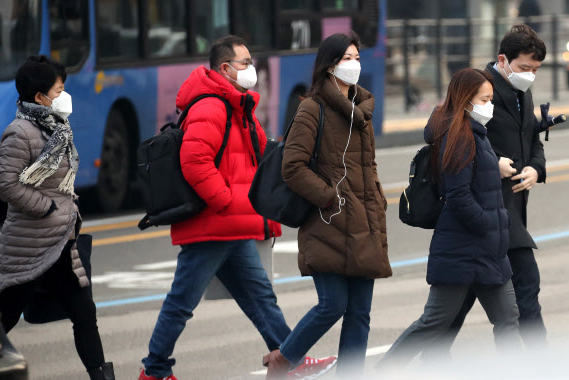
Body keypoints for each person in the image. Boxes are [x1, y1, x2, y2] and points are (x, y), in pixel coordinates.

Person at [138, 35, 333, 380]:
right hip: (214, 224)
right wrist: (226, 202)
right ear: (225, 68)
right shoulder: (211, 107)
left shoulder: (235, 105)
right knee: (182, 302)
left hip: (231, 225)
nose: (252, 69)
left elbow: (262, 151)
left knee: (260, 297)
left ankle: (289, 359)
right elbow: (195, 161)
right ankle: (154, 371)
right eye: (245, 63)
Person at [263, 32, 392, 379]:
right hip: (329, 221)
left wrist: (376, 200)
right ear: (330, 66)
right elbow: (292, 167)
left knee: (360, 312)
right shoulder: (312, 108)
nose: (355, 64)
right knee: (332, 304)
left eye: (357, 57)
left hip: (364, 221)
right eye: (347, 58)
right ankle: (284, 360)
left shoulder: (362, 112)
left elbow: (369, 165)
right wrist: (328, 197)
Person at [376, 68, 522, 369]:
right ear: (466, 100)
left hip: (488, 251)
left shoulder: (477, 135)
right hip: (462, 251)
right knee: (433, 323)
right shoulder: (459, 139)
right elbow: (459, 198)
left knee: (509, 321)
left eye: (491, 99)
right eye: (484, 99)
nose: (489, 105)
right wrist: (489, 225)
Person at [425, 24, 548, 358]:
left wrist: (536, 168)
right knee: (526, 287)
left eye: (536, 70)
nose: (530, 76)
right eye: (525, 68)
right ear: (503, 60)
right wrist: (493, 161)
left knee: (463, 299)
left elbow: (532, 138)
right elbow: (437, 127)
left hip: (506, 211)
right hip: (485, 210)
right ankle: (543, 364)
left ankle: (432, 360)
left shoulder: (523, 91)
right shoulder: (478, 86)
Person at [0, 55, 114, 380]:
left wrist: (64, 209)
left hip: (61, 242)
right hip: (28, 246)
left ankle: (100, 374)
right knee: (4, 318)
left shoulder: (56, 129)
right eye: (60, 89)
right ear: (40, 98)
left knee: (84, 313)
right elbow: (5, 182)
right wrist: (46, 207)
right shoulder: (20, 132)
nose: (65, 95)